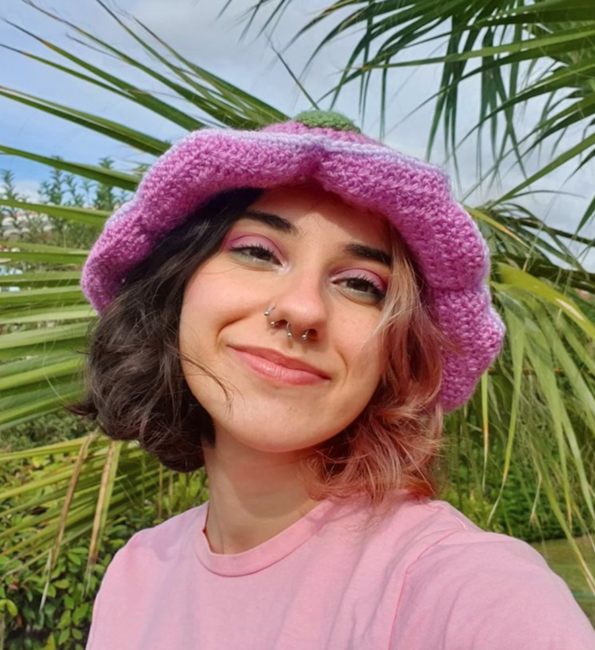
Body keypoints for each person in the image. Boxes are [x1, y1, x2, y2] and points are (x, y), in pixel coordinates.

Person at [71, 110, 595, 649]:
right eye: (257, 252)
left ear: (399, 354)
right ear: (173, 290)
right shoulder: (136, 573)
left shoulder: (472, 592)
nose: (302, 309)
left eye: (361, 284)